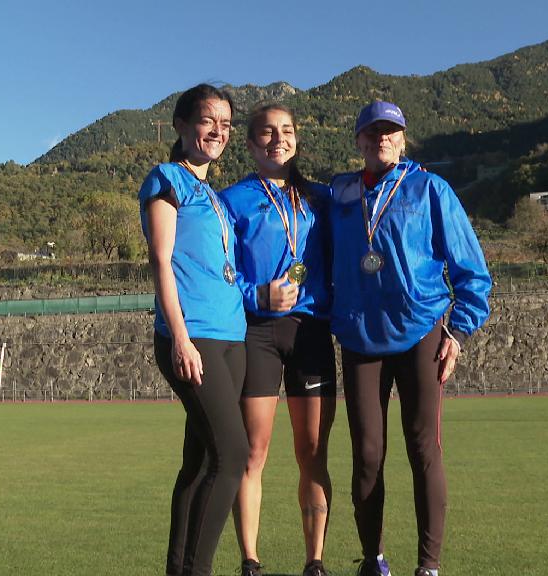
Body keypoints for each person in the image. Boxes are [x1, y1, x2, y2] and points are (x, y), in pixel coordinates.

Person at [327, 101, 492, 576]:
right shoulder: (340, 195)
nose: (381, 137)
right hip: (359, 337)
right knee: (367, 456)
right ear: (358, 140)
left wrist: (458, 331)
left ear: (403, 139)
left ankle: (429, 564)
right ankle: (373, 560)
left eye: (390, 131)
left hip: (421, 331)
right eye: (372, 130)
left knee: (423, 448)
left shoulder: (430, 189)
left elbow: (472, 271)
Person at [220, 104, 336, 576]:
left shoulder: (322, 198)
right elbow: (224, 273)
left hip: (310, 330)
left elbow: (371, 190)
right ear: (250, 144)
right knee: (254, 451)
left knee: (312, 453)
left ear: (297, 140)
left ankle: (315, 562)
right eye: (266, 133)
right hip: (259, 332)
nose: (277, 139)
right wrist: (257, 294)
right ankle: (250, 560)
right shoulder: (232, 200)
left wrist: (408, 173)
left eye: (286, 131)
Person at [138, 83, 248, 576]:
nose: (217, 132)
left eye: (225, 125)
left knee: (201, 462)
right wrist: (179, 337)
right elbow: (161, 262)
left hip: (232, 338)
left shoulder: (216, 197)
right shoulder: (168, 180)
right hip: (194, 336)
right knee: (232, 455)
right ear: (182, 126)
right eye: (208, 121)